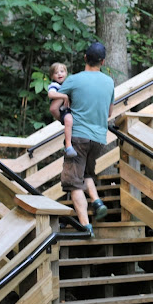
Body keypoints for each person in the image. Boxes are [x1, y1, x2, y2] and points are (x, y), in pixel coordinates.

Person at [51, 42, 115, 236]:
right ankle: (96, 201)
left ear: (85, 58)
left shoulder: (75, 80)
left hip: (78, 136)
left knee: (73, 181)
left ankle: (86, 226)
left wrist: (64, 119)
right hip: (98, 138)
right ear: (103, 61)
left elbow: (54, 107)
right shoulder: (109, 82)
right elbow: (109, 111)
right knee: (86, 173)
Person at [48, 63, 77, 158]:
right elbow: (51, 94)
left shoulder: (68, 83)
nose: (59, 74)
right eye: (56, 73)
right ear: (52, 76)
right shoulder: (54, 85)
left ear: (66, 73)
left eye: (62, 71)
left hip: (72, 109)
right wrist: (64, 96)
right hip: (63, 110)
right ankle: (68, 146)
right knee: (68, 119)